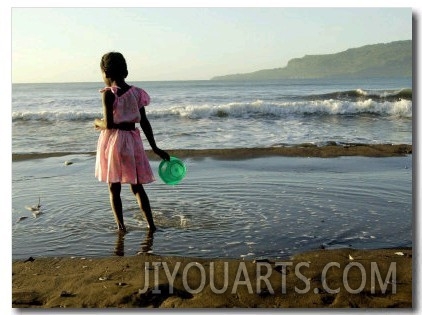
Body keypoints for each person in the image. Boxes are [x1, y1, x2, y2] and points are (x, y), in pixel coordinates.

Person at [94, 52, 170, 233]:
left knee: (114, 187)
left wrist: (97, 122)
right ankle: (151, 225)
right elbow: (144, 121)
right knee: (137, 186)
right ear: (125, 72)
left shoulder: (108, 94)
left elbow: (109, 124)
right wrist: (155, 147)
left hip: (114, 141)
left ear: (106, 73)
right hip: (133, 141)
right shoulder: (137, 93)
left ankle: (121, 227)